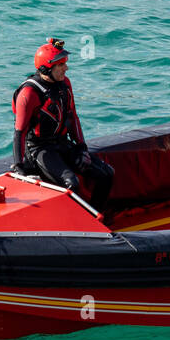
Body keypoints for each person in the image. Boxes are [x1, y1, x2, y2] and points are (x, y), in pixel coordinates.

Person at [12, 38, 114, 211]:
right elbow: (19, 132)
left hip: (61, 143)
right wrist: (18, 166)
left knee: (106, 173)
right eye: (60, 65)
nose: (66, 68)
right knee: (71, 184)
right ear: (46, 68)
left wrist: (81, 147)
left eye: (65, 63)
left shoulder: (65, 84)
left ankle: (97, 218)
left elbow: (73, 117)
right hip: (39, 149)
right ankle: (76, 227)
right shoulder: (29, 93)